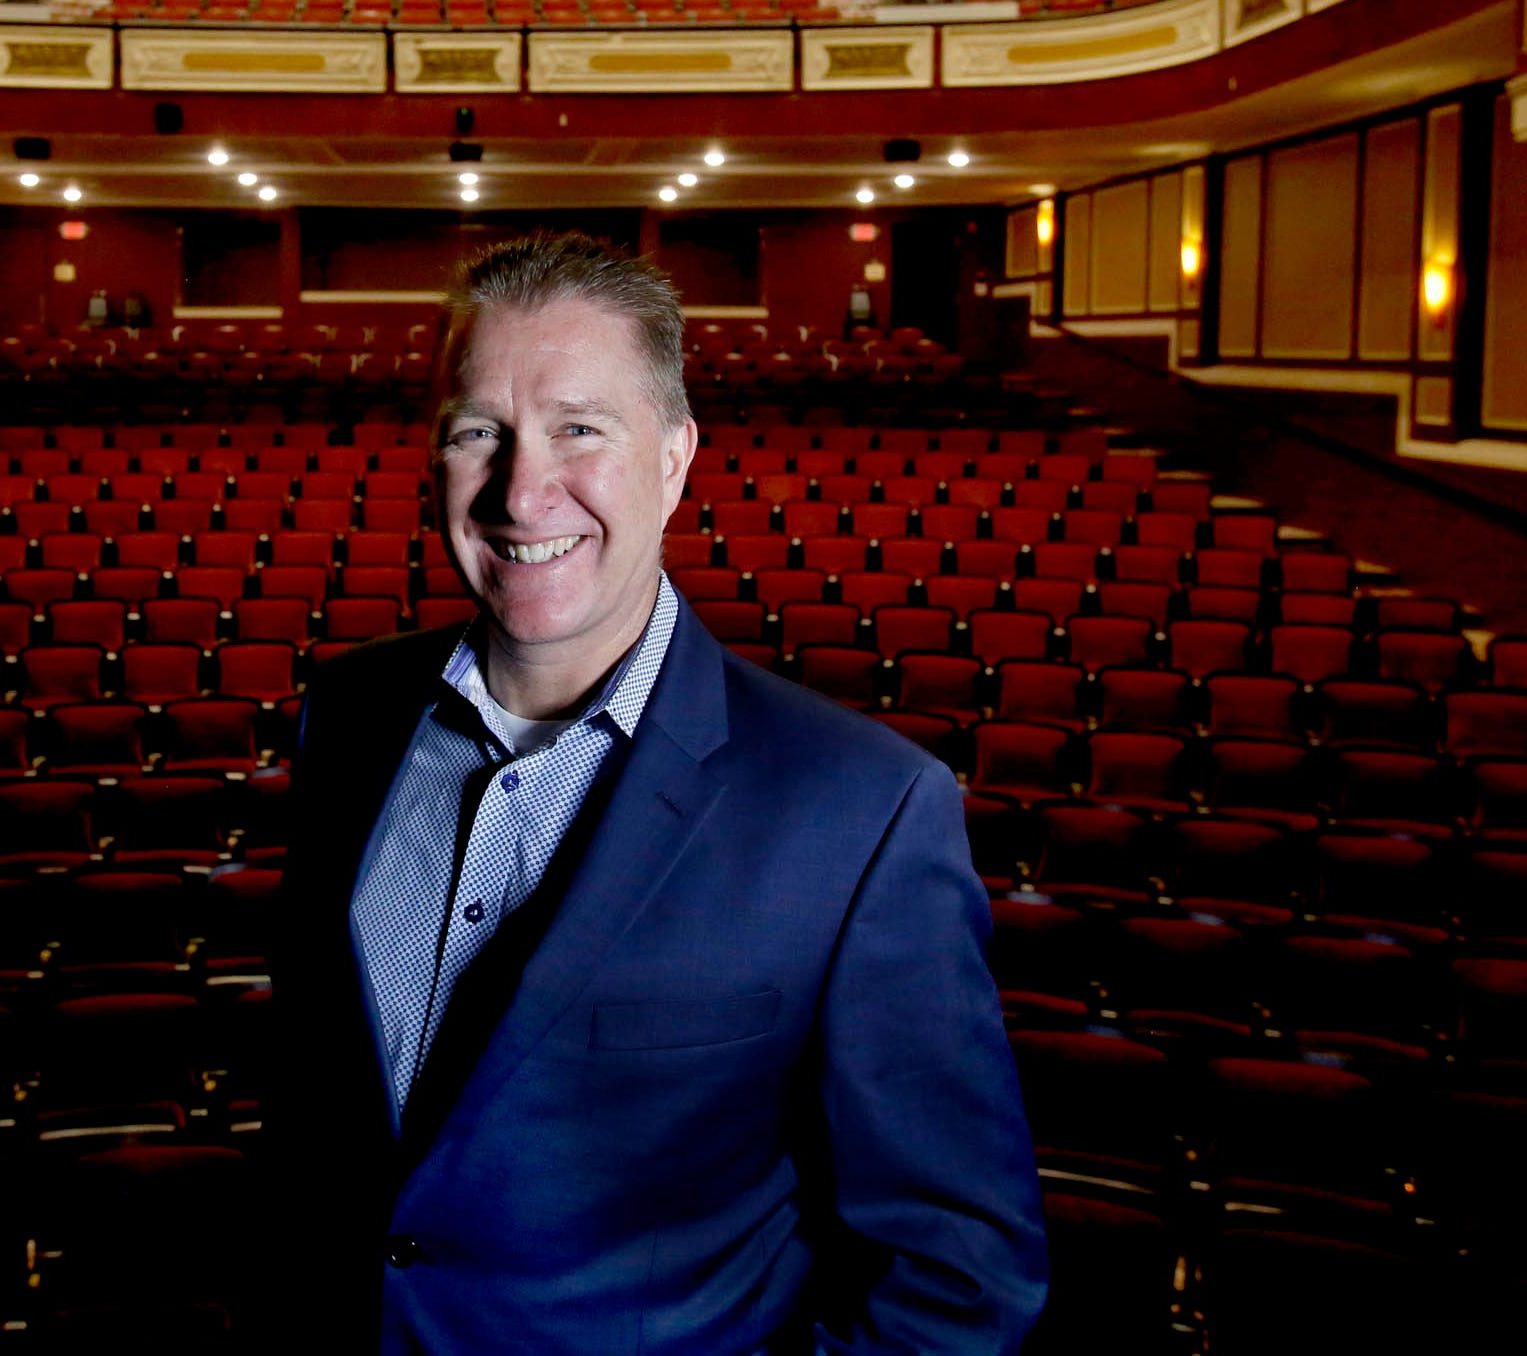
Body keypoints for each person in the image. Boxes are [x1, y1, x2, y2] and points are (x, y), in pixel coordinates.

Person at [268, 233, 1046, 1354]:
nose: (521, 492)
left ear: (676, 459)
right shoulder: (349, 716)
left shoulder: (863, 811)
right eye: (479, 432)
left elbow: (959, 1279)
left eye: (581, 429)